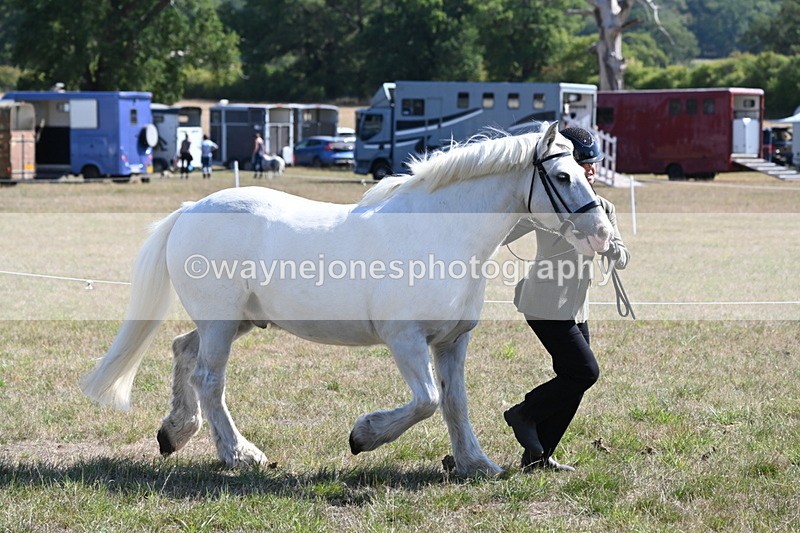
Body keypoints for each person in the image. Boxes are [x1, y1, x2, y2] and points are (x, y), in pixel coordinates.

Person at [502, 126, 630, 472]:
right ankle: (523, 414)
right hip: (544, 302)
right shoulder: (546, 207)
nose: (591, 169)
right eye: (583, 162)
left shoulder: (603, 207)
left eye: (594, 162)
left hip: (577, 307)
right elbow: (504, 233)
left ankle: (538, 457)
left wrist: (614, 252)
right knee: (584, 372)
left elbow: (621, 252)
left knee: (573, 383)